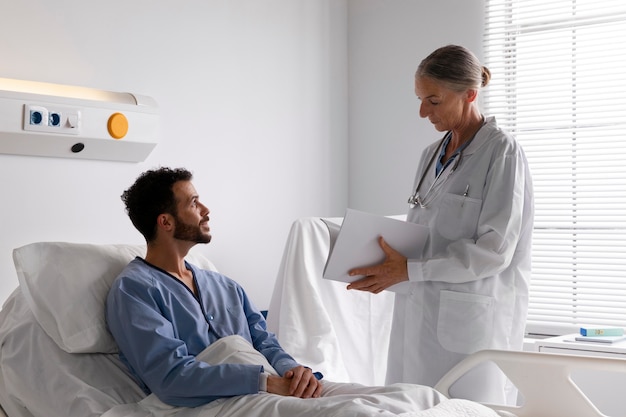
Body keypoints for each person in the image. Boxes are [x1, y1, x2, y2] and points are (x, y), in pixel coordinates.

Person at [104, 167, 458, 415]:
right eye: (193, 203)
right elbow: (171, 379)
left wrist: (293, 370)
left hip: (270, 383)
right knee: (360, 414)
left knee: (418, 397)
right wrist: (265, 382)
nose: (206, 209)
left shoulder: (224, 285)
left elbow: (266, 343)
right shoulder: (135, 290)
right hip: (211, 402)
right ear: (165, 222)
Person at [347, 45, 534, 404]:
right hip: (418, 313)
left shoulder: (502, 152)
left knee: (467, 409)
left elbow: (494, 252)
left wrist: (411, 270)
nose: (422, 112)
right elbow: (428, 230)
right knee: (411, 404)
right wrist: (384, 262)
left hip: (470, 325)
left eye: (433, 101)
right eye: (419, 99)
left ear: (470, 94)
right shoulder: (430, 154)